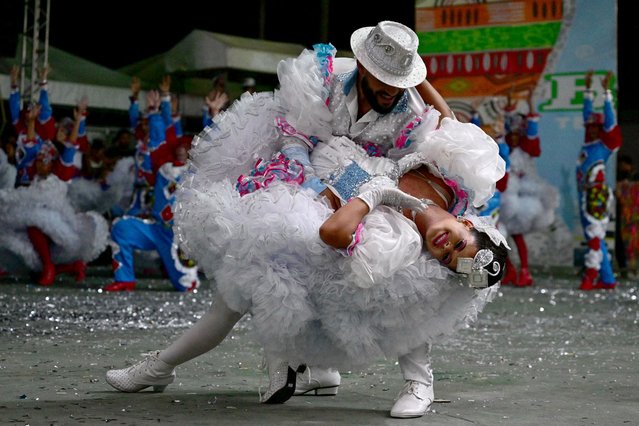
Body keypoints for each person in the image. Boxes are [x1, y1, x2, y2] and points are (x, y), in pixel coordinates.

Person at [105, 21, 504, 418]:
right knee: (247, 279)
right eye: (384, 81)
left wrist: (366, 194)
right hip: (300, 175)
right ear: (364, 68)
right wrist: (314, 187)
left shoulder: (413, 129)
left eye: (400, 83)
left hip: (355, 201)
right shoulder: (327, 78)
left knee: (405, 284)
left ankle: (415, 381)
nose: (392, 92)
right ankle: (191, 367)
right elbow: (297, 138)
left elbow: (446, 134)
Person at [103, 94, 199, 293]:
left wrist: (213, 114)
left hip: (179, 236)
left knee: (186, 286)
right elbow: (159, 142)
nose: (181, 150)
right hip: (156, 229)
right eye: (179, 147)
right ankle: (125, 279)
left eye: (186, 147)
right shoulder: (163, 168)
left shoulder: (198, 173)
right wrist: (155, 113)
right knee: (121, 227)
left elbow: (218, 144)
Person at [499, 88, 559, 287]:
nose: (514, 137)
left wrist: (531, 104)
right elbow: (504, 130)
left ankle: (524, 271)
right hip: (504, 194)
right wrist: (508, 109)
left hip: (521, 197)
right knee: (500, 234)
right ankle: (510, 269)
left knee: (515, 234)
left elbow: (532, 131)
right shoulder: (504, 150)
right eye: (512, 134)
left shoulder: (525, 152)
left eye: (518, 134)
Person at [577, 70, 622, 290]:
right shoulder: (588, 145)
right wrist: (587, 91)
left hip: (596, 194)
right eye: (590, 126)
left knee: (594, 236)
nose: (592, 128)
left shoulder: (605, 146)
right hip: (586, 193)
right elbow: (587, 114)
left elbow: (611, 123)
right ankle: (608, 278)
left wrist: (606, 93)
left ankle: (591, 275)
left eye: (596, 126)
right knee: (595, 237)